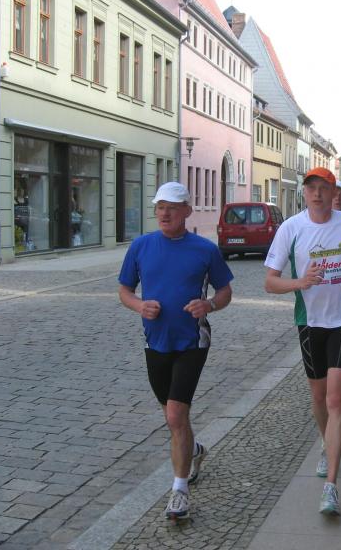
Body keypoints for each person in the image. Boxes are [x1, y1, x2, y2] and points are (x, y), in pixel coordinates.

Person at [118, 182, 233, 521]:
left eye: (171, 207)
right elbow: (124, 290)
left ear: (187, 211)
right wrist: (139, 306)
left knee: (174, 415)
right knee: (174, 417)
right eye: (160, 207)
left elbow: (225, 291)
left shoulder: (204, 249)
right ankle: (193, 450)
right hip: (155, 341)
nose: (164, 213)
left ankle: (179, 491)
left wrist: (209, 304)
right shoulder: (140, 246)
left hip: (192, 341)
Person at [264, 167, 341, 516]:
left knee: (335, 399)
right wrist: (300, 282)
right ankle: (327, 444)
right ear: (305, 192)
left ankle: (331, 486)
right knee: (319, 397)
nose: (317, 194)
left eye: (323, 188)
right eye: (311, 188)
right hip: (309, 321)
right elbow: (270, 282)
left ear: (334, 192)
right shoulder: (291, 228)